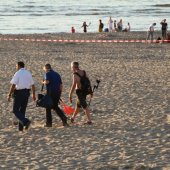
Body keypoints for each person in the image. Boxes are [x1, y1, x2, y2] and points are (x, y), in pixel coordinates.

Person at [7, 61, 36, 131]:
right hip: (27, 93)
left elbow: (13, 85)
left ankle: (26, 121)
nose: (16, 67)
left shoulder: (18, 73)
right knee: (22, 110)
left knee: (15, 110)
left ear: (19, 66)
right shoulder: (28, 73)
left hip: (19, 93)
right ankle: (21, 128)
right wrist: (34, 94)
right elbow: (33, 85)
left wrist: (9, 94)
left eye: (16, 66)